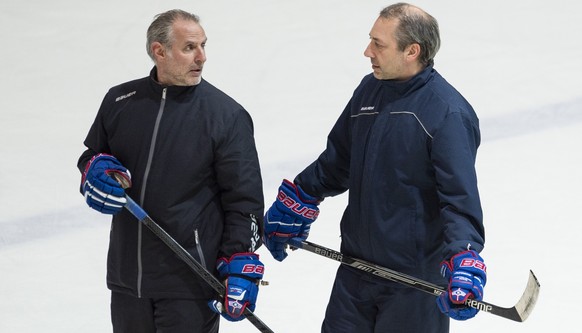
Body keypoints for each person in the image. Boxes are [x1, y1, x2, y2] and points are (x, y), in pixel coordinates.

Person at [263, 3, 486, 332]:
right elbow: (338, 160)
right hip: (355, 272)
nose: (367, 51)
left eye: (378, 44)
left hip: (413, 284)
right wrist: (300, 196)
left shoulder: (447, 114)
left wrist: (465, 254)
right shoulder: (369, 92)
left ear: (412, 50)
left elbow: (458, 198)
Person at [77, 9, 265, 333]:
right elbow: (93, 156)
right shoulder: (120, 101)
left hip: (190, 286)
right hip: (127, 283)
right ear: (159, 51)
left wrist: (239, 264)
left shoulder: (226, 116)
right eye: (190, 47)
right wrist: (92, 169)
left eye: (203, 46)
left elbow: (244, 203)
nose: (202, 57)